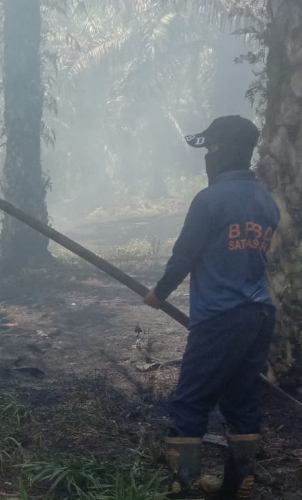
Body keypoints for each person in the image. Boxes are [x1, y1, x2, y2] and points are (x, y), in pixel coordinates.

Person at [144, 115, 280, 499]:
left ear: (223, 151)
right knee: (242, 395)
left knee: (191, 399)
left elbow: (184, 256)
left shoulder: (209, 200)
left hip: (220, 318)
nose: (206, 157)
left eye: (210, 149)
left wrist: (160, 294)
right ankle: (240, 483)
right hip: (259, 315)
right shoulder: (265, 201)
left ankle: (183, 485)